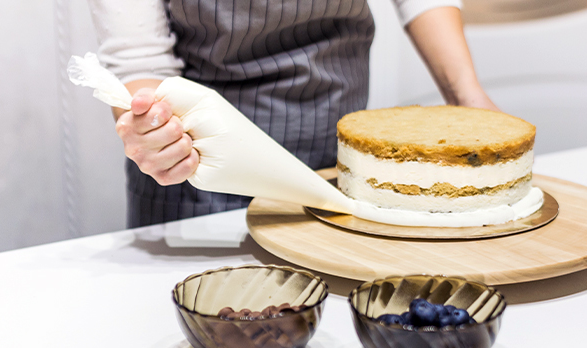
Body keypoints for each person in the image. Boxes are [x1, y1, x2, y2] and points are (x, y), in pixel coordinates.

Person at [88, 0, 499, 228]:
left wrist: (466, 95)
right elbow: (138, 56)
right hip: (200, 170)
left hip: (337, 157)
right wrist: (157, 132)